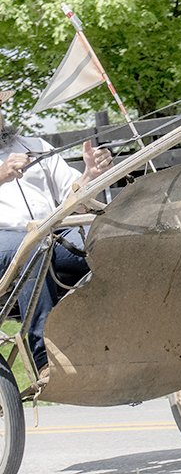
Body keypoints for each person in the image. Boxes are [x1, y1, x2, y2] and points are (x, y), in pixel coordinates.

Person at [0, 89, 114, 381]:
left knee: (109, 243)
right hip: (10, 243)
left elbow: (73, 198)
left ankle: (125, 340)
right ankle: (45, 358)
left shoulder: (34, 146)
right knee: (32, 248)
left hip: (50, 235)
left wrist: (90, 175)